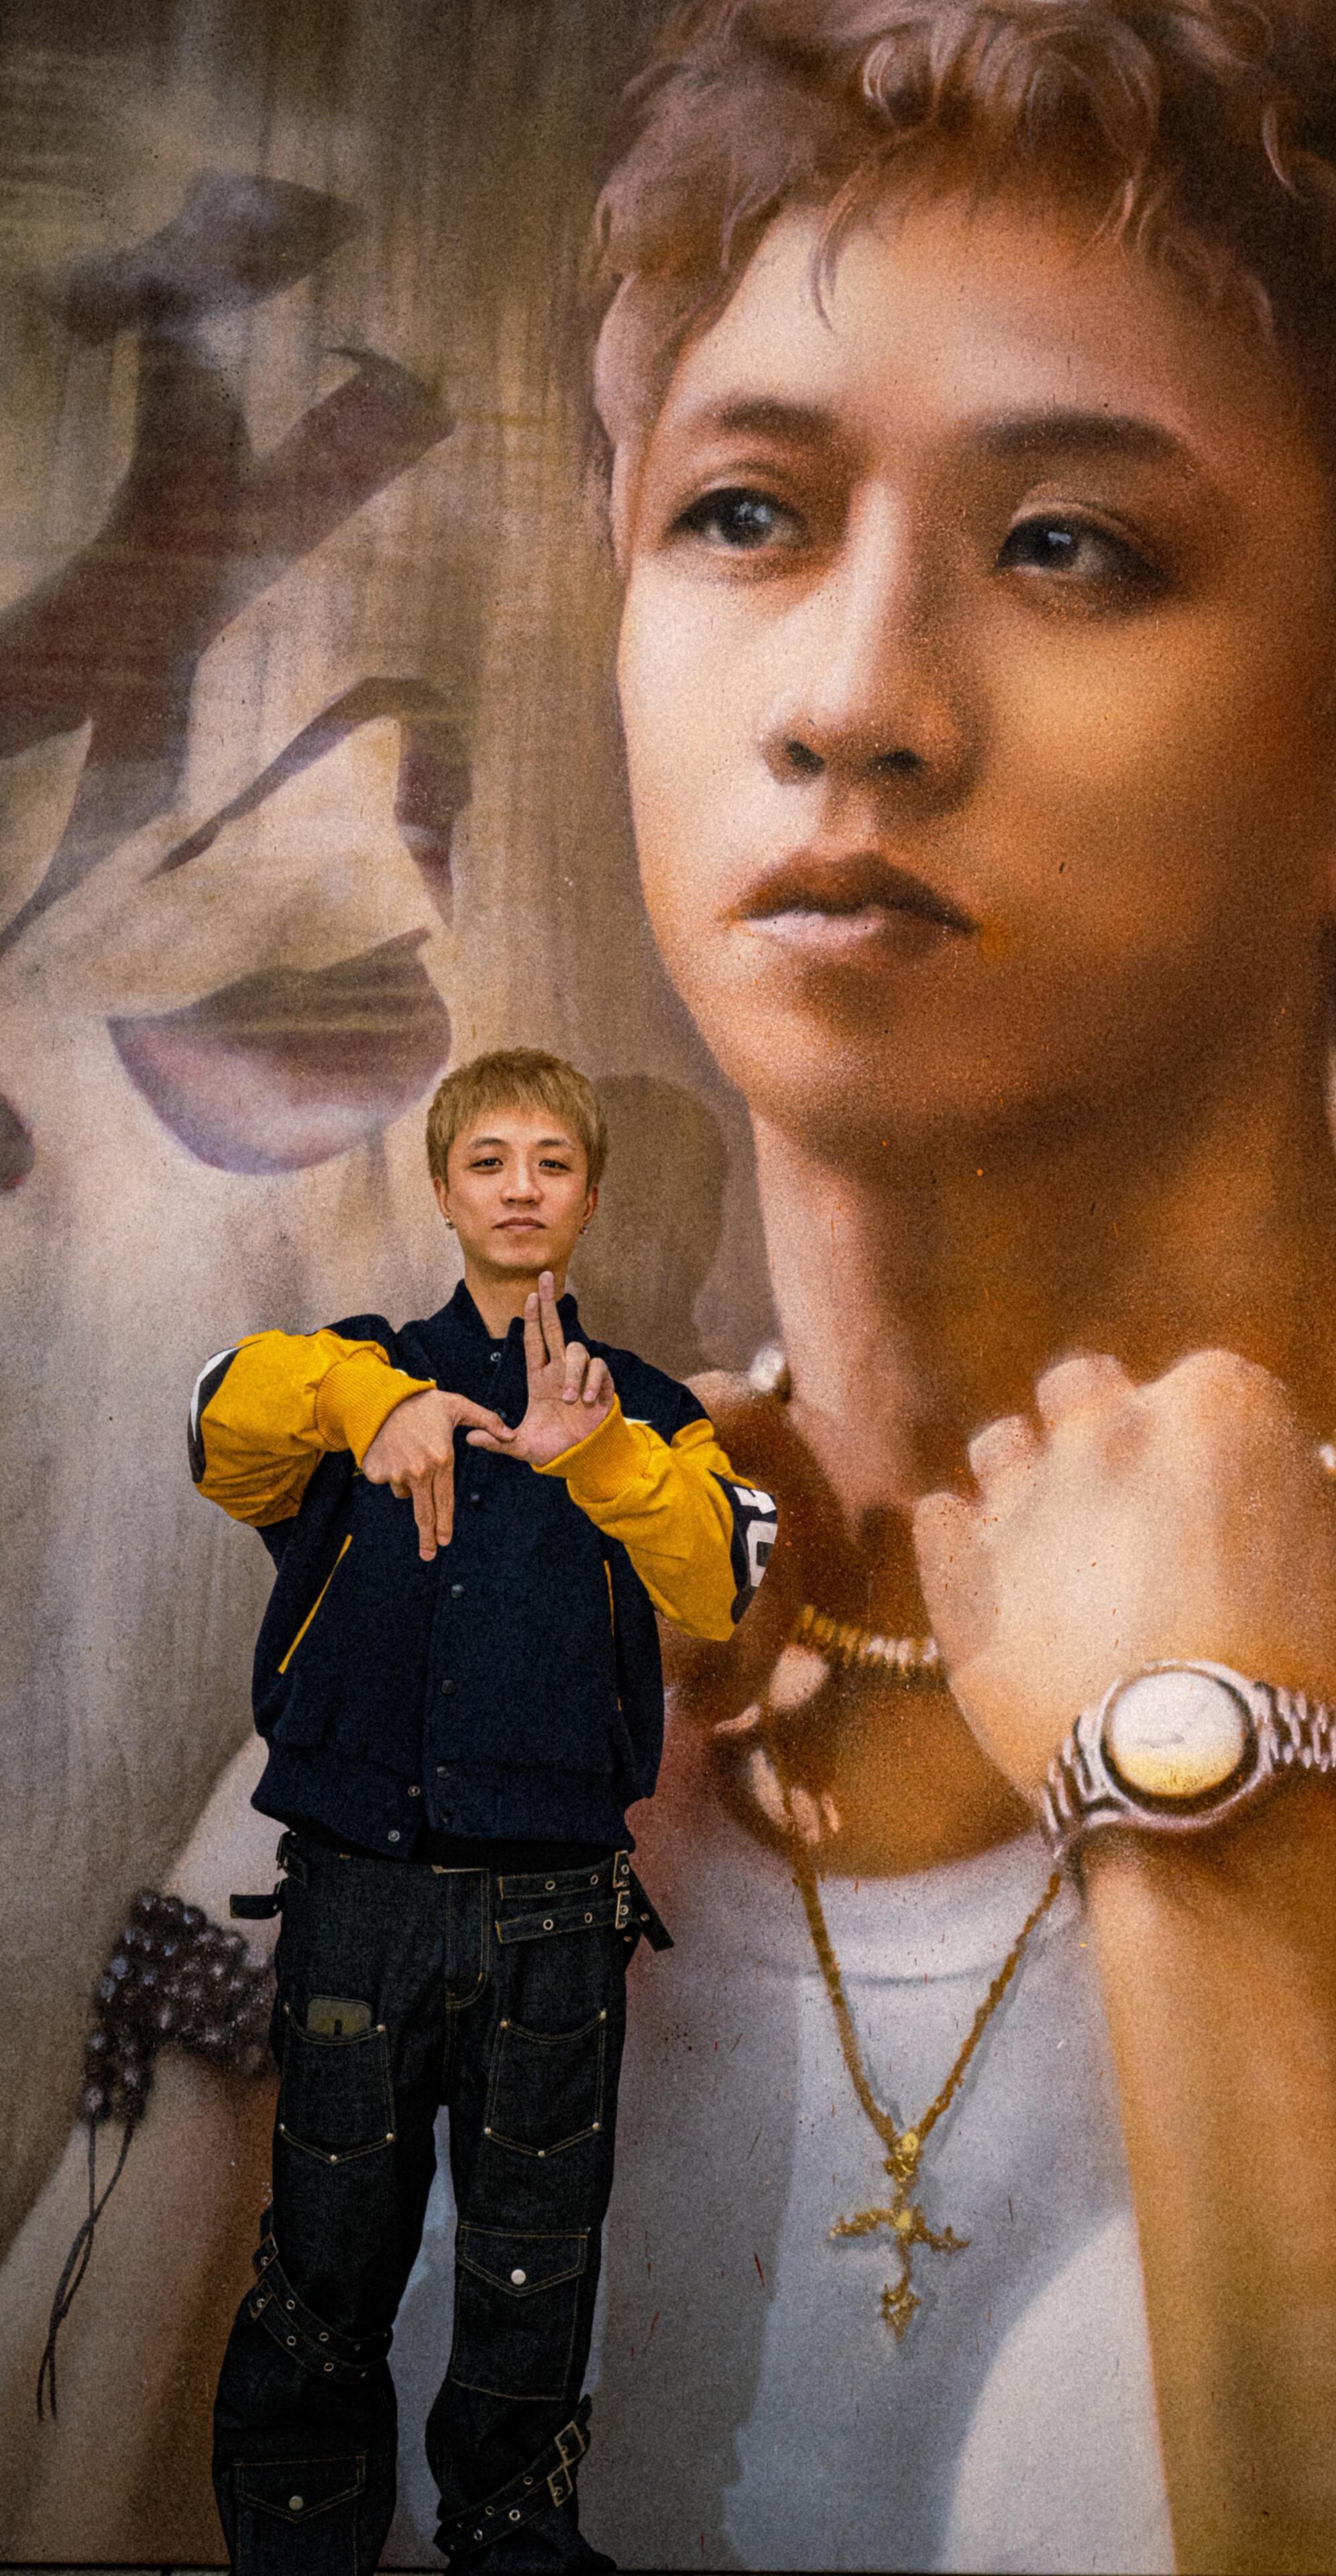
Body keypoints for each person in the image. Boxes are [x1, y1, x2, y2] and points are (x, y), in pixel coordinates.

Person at [494, 3, 1336, 2568]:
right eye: (746, 514)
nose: (853, 703)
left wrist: (1226, 1810)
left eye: (1070, 547)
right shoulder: (532, 1561)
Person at [190, 1044, 776, 2575]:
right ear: (445, 1193)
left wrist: (604, 1462)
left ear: (589, 1197)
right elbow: (213, 1426)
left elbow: (718, 1582)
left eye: (552, 1164)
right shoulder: (352, 1374)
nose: (522, 1190)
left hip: (554, 1924)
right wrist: (372, 1401)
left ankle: (515, 2541)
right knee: (322, 2282)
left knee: (532, 2282)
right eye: (489, 1162)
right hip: (357, 1906)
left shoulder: (653, 1409)